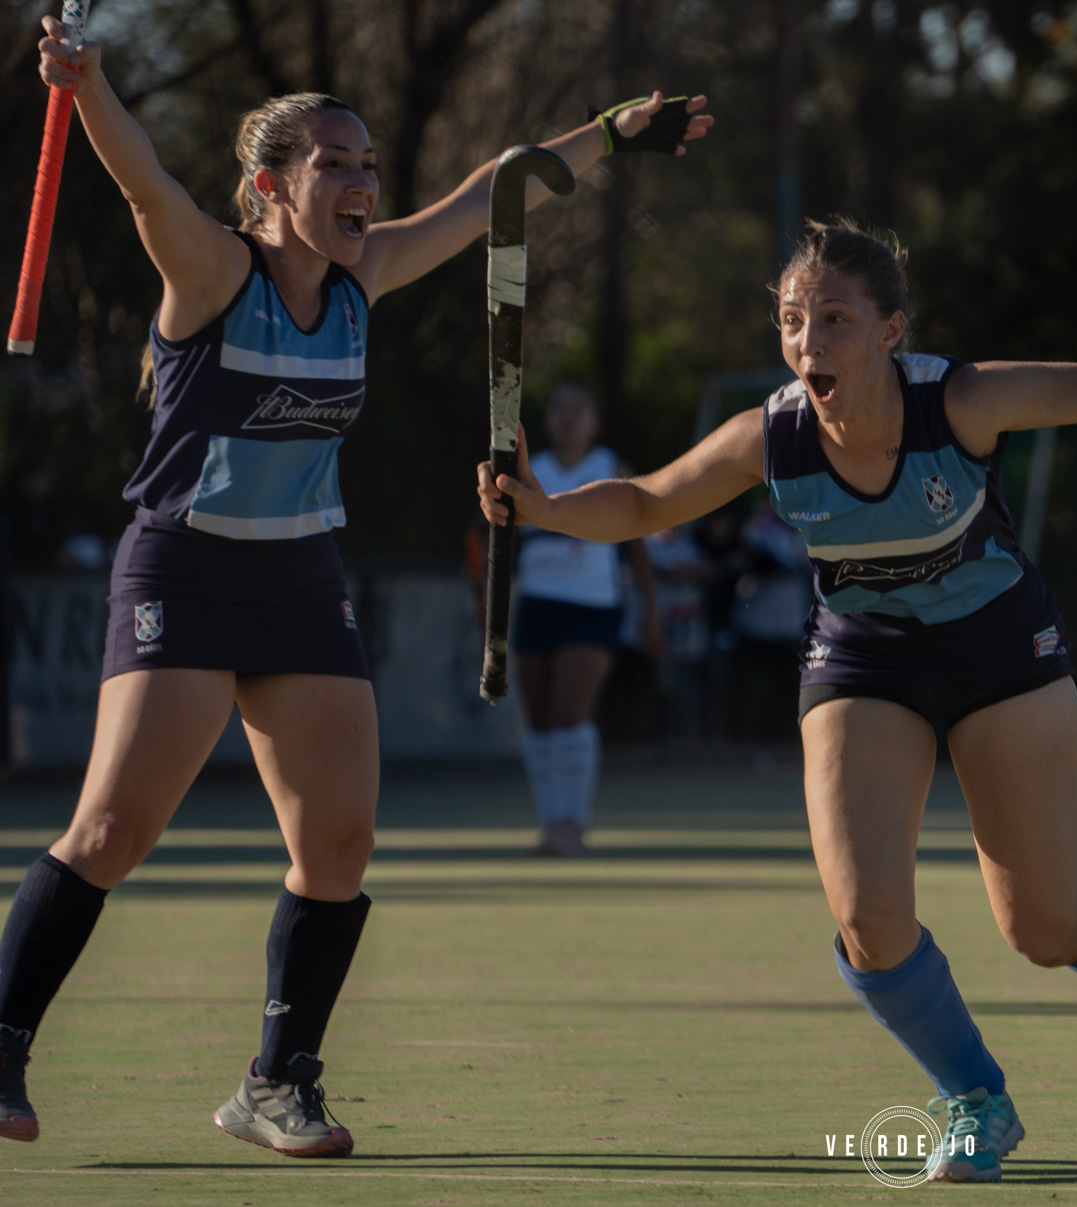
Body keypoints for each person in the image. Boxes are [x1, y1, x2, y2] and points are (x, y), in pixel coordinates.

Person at [478, 221, 1077, 1181]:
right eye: (794, 321)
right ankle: (976, 1099)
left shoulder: (960, 401)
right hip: (861, 658)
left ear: (891, 330)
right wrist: (545, 508)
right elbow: (644, 502)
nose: (809, 342)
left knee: (1045, 930)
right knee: (866, 916)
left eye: (835, 319)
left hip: (1001, 651)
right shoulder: (776, 434)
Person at [0, 15, 709, 1157]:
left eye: (371, 164)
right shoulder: (214, 267)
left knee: (338, 843)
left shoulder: (362, 275)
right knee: (115, 827)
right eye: (337, 163)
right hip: (184, 565)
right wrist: (88, 88)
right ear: (272, 188)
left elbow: (494, 196)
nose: (364, 183)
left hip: (298, 577)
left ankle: (278, 1080)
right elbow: (144, 189)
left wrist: (615, 136)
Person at [513, 383, 661, 857]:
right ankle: (549, 820)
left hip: (592, 606)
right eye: (558, 409)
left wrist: (650, 613)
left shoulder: (609, 469)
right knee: (537, 719)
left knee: (569, 710)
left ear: (594, 421)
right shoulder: (529, 470)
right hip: (536, 604)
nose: (567, 419)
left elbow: (639, 546)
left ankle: (573, 822)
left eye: (578, 410)